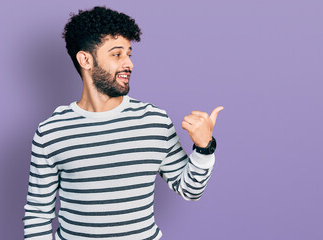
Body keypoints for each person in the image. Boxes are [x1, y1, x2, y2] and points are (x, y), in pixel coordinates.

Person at [22, 6, 223, 240]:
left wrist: (204, 148)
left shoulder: (154, 121)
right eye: (117, 54)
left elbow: (190, 190)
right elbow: (38, 214)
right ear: (85, 59)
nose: (129, 63)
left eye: (129, 54)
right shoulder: (51, 132)